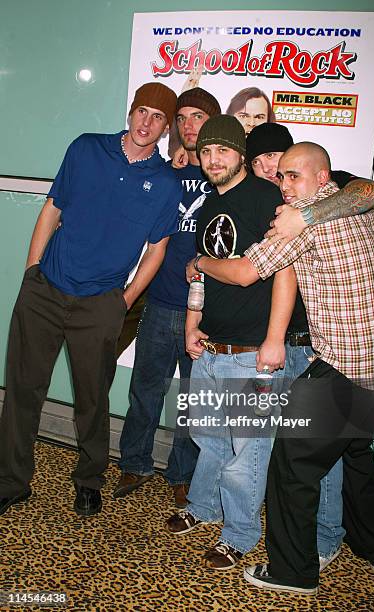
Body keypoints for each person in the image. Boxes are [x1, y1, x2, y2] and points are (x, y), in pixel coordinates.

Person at [186, 142, 374, 594]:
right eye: (281, 176)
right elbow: (370, 190)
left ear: (323, 179)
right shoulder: (355, 208)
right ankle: (372, 548)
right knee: (354, 453)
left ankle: (292, 571)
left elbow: (247, 272)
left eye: (294, 176)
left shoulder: (297, 225)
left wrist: (200, 261)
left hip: (345, 369)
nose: (284, 187)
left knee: (291, 465)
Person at [0, 82, 182, 518]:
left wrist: (125, 300)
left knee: (93, 398)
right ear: (131, 111)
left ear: (166, 128)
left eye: (157, 117)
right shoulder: (85, 149)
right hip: (45, 289)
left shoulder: (165, 183)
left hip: (101, 303)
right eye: (142, 111)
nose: (146, 122)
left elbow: (157, 250)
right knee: (23, 390)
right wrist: (31, 271)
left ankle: (88, 479)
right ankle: (11, 481)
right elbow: (52, 208)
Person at [166, 114, 296, 570]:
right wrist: (191, 325)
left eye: (222, 150)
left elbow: (285, 270)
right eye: (206, 151)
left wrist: (275, 340)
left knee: (248, 452)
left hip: (250, 355)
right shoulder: (207, 205)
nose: (213, 159)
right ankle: (203, 508)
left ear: (240, 153)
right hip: (211, 349)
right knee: (208, 437)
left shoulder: (266, 200)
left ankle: (239, 533)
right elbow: (202, 272)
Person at [114, 88, 221, 509]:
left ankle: (182, 475)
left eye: (198, 116)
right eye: (182, 118)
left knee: (194, 403)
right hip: (159, 303)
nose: (189, 125)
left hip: (206, 311)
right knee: (145, 391)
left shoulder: (226, 174)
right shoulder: (164, 173)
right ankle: (134, 463)